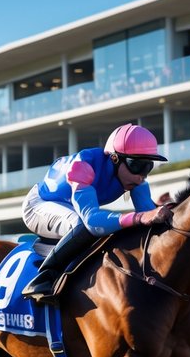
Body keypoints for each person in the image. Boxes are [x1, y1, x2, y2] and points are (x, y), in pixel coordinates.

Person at [20, 123, 174, 301]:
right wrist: (139, 217)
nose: (141, 176)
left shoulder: (136, 181)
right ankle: (43, 279)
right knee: (80, 225)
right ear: (114, 158)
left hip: (71, 207)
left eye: (148, 167)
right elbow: (92, 222)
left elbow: (149, 217)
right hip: (39, 204)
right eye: (137, 165)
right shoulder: (83, 166)